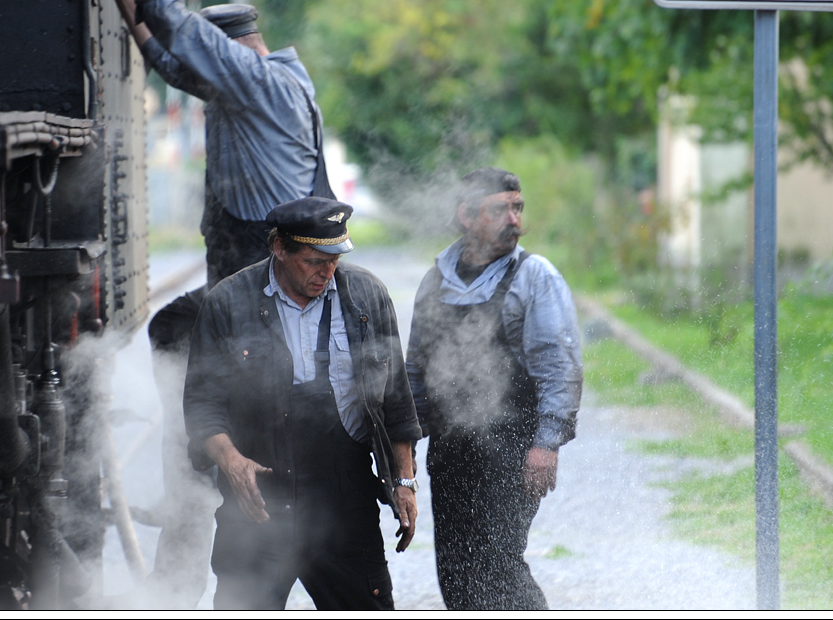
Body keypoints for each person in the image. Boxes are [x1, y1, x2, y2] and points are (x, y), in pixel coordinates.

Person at [91, 0, 333, 607]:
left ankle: (206, 542)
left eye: (214, 63)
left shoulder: (263, 86)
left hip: (262, 296)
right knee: (177, 341)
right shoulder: (256, 84)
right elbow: (173, 64)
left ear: (236, 56)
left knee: (215, 423)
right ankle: (185, 532)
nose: (206, 78)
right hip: (244, 291)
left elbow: (173, 20)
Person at [183, 196, 422, 610]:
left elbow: (397, 401)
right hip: (258, 504)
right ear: (279, 248)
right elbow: (202, 407)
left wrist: (404, 482)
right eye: (313, 260)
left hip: (345, 502)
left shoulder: (367, 296)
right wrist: (233, 463)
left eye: (334, 259)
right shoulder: (227, 303)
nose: (326, 272)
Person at [404, 167, 583, 610]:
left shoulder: (535, 276)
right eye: (500, 209)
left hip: (511, 449)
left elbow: (559, 367)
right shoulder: (436, 280)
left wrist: (548, 444)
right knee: (456, 573)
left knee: (498, 566)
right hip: (449, 450)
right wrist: (402, 446)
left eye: (518, 207)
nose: (515, 220)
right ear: (466, 215)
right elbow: (416, 373)